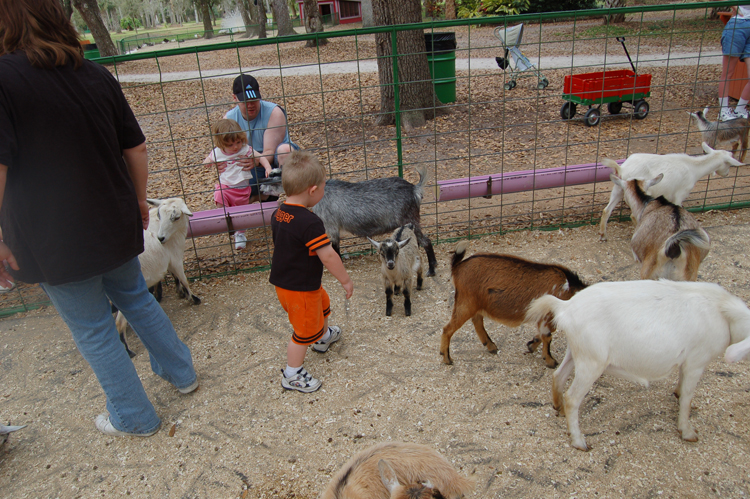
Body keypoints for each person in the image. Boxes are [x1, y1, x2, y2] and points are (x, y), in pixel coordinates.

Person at [0, 0, 197, 437]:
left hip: (50, 236)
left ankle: (134, 417)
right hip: (113, 217)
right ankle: (182, 374)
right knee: (137, 298)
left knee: (92, 328)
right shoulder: (93, 74)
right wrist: (140, 201)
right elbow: (137, 148)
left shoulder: (3, 78)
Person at [269, 151, 353, 393]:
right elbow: (327, 255)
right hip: (299, 287)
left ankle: (323, 335)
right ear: (313, 190)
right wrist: (345, 280)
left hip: (288, 283)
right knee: (302, 331)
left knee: (322, 303)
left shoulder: (279, 213)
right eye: (325, 186)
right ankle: (292, 373)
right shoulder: (310, 222)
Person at [224, 74, 299, 202]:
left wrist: (256, 161)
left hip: (275, 159)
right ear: (234, 98)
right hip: (251, 163)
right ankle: (262, 200)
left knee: (285, 150)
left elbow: (269, 151)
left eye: (254, 100)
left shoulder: (274, 112)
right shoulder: (229, 119)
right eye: (245, 101)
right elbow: (226, 152)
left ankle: (294, 200)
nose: (251, 105)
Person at [203, 118, 260, 250]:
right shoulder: (218, 152)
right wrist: (212, 163)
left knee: (241, 212)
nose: (235, 147)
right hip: (226, 186)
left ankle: (240, 234)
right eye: (230, 145)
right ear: (221, 144)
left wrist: (260, 163)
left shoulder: (244, 149)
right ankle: (225, 220)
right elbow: (206, 162)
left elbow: (260, 156)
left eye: (238, 143)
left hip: (242, 188)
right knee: (219, 195)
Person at [718, 5, 750, 121]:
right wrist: (734, 5)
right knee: (728, 73)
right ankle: (723, 111)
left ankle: (740, 109)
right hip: (737, 25)